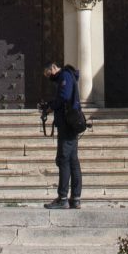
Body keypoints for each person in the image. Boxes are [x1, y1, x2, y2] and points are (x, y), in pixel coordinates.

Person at [40, 61, 85, 209]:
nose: (50, 77)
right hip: (70, 124)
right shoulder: (68, 75)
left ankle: (63, 198)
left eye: (49, 74)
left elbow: (64, 97)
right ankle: (75, 198)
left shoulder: (65, 75)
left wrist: (51, 106)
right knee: (72, 161)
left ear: (53, 67)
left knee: (64, 159)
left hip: (67, 125)